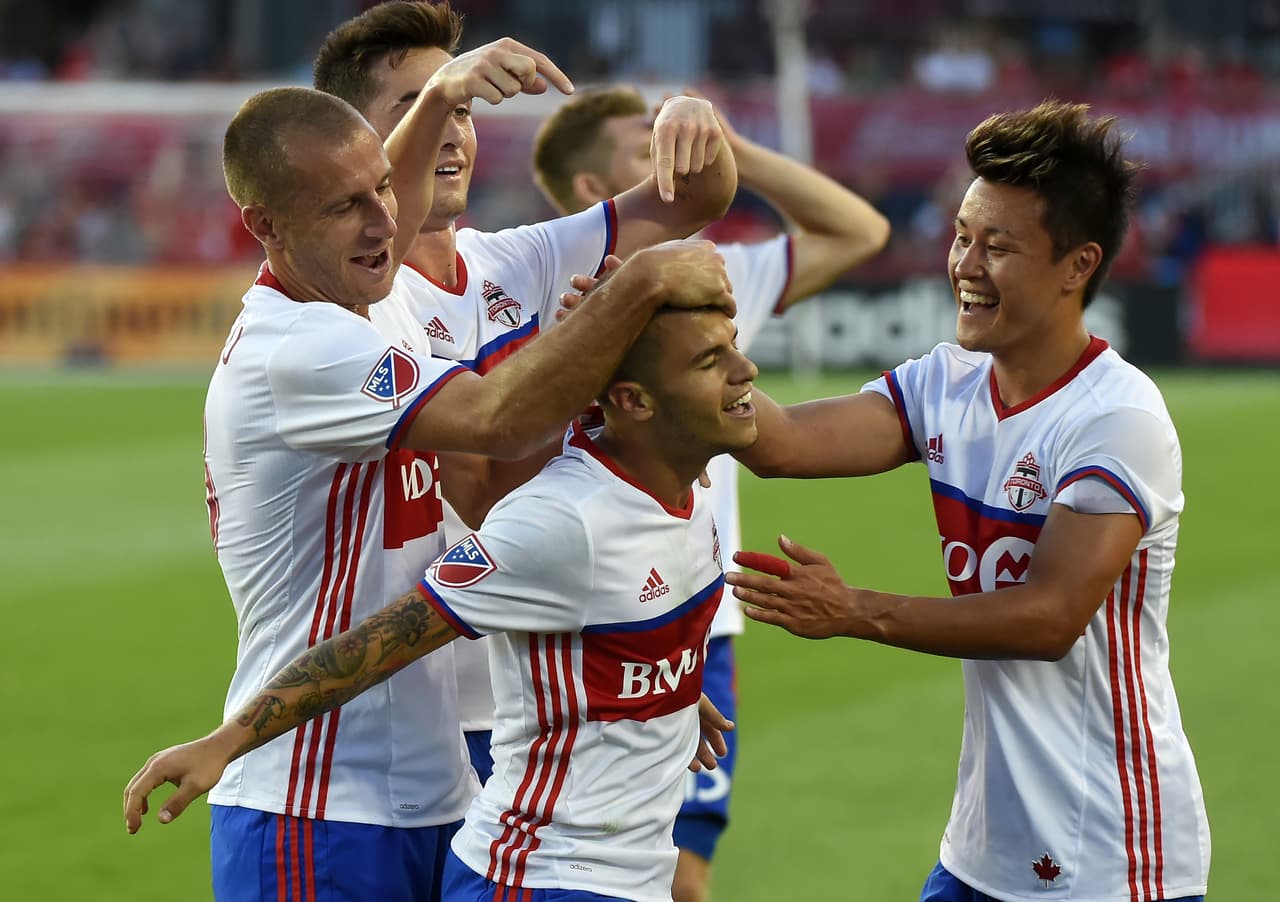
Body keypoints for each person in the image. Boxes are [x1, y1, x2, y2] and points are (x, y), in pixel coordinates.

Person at [167, 29, 737, 902]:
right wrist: (629, 301)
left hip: (449, 788)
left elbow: (492, 496)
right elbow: (500, 426)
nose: (379, 221)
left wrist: (629, 655)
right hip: (315, 800)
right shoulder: (299, 346)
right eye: (345, 204)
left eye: (376, 195)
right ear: (269, 224)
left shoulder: (440, 283)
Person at [723, 101, 1211, 901]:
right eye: (961, 236)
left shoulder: (1116, 419)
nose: (965, 264)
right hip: (981, 851)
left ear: (1077, 265)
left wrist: (853, 609)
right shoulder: (945, 384)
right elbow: (779, 445)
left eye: (999, 246)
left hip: (1111, 857)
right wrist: (667, 334)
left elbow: (1048, 619)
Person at [125, 301, 759, 902]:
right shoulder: (559, 520)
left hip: (630, 875)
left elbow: (616, 623)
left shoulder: (689, 495)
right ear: (634, 401)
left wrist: (662, 693)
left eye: (732, 349)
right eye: (710, 361)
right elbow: (382, 641)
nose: (746, 370)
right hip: (542, 876)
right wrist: (228, 741)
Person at [310, 1, 739, 792]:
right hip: (385, 730)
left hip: (523, 709)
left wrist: (690, 118)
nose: (451, 127)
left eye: (461, 106)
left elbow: (697, 198)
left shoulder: (515, 260)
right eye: (416, 104)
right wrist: (590, 363)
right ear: (350, 143)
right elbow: (481, 488)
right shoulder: (345, 306)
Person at [531, 84, 890, 900]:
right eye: (644, 144)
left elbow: (860, 231)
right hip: (568, 629)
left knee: (684, 880)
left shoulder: (706, 284)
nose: (672, 146)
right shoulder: (528, 290)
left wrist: (734, 146)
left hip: (695, 621)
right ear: (597, 192)